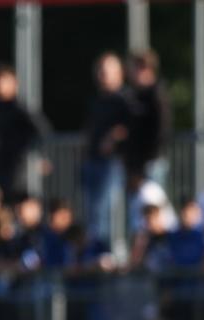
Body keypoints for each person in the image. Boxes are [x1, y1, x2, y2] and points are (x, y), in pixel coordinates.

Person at [82, 52, 130, 245]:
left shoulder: (125, 99)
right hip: (93, 162)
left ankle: (111, 253)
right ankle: (98, 253)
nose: (102, 75)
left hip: (113, 164)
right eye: (100, 71)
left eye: (107, 71)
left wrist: (112, 138)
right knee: (93, 214)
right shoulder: (97, 100)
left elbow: (129, 126)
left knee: (108, 214)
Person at [0, 63, 51, 200]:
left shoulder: (20, 108)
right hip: (4, 165)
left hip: (20, 168)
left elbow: (43, 130)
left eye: (0, 80)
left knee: (21, 203)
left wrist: (42, 156)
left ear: (14, 82)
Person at [123, 50, 172, 188]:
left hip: (151, 164)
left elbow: (162, 129)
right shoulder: (134, 94)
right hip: (137, 164)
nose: (129, 73)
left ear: (144, 68)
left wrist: (149, 160)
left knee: (151, 205)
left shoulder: (157, 94)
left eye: (132, 68)